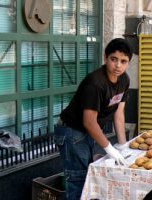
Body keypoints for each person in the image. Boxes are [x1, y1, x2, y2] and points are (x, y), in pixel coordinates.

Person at [54, 38, 133, 200]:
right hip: (72, 131)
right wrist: (110, 149)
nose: (118, 65)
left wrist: (123, 146)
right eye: (114, 59)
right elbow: (89, 121)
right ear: (105, 57)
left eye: (123, 61)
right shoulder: (95, 82)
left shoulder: (124, 80)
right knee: (78, 180)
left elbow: (119, 114)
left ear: (128, 63)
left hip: (91, 131)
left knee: (92, 179)